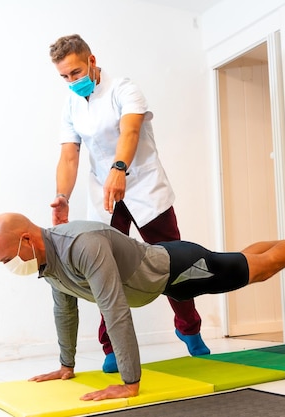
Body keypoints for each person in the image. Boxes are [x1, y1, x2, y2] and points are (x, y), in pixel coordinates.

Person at [0, 212, 285, 401]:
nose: (8, 267)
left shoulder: (81, 245)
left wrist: (130, 382)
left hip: (178, 269)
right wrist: (66, 365)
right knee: (241, 261)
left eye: (5, 259)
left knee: (258, 270)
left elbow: (114, 309)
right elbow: (65, 310)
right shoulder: (47, 264)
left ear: (27, 240)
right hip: (165, 277)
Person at [46, 34, 208, 373]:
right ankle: (112, 347)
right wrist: (63, 196)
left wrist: (119, 169)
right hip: (103, 196)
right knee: (102, 269)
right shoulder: (71, 105)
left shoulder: (124, 89)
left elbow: (130, 133)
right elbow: (69, 155)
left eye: (75, 73)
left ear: (91, 60)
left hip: (144, 186)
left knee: (174, 262)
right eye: (64, 77)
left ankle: (188, 328)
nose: (71, 81)